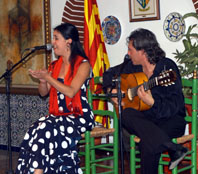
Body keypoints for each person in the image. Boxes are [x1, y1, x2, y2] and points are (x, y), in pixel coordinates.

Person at [103, 28, 188, 174]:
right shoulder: (132, 67)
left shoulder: (167, 68)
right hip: (148, 121)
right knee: (126, 113)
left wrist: (152, 102)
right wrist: (111, 91)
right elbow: (108, 74)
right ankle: (173, 149)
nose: (128, 54)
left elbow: (175, 105)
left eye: (130, 50)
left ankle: (171, 147)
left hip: (172, 120)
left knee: (147, 143)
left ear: (142, 51)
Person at [15, 23, 95, 174]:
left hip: (79, 116)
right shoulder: (55, 65)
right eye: (53, 38)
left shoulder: (83, 65)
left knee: (46, 127)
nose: (53, 42)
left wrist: (49, 78)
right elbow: (43, 93)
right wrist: (44, 81)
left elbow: (71, 92)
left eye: (56, 38)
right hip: (58, 117)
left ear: (68, 41)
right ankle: (37, 171)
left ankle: (39, 172)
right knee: (36, 127)